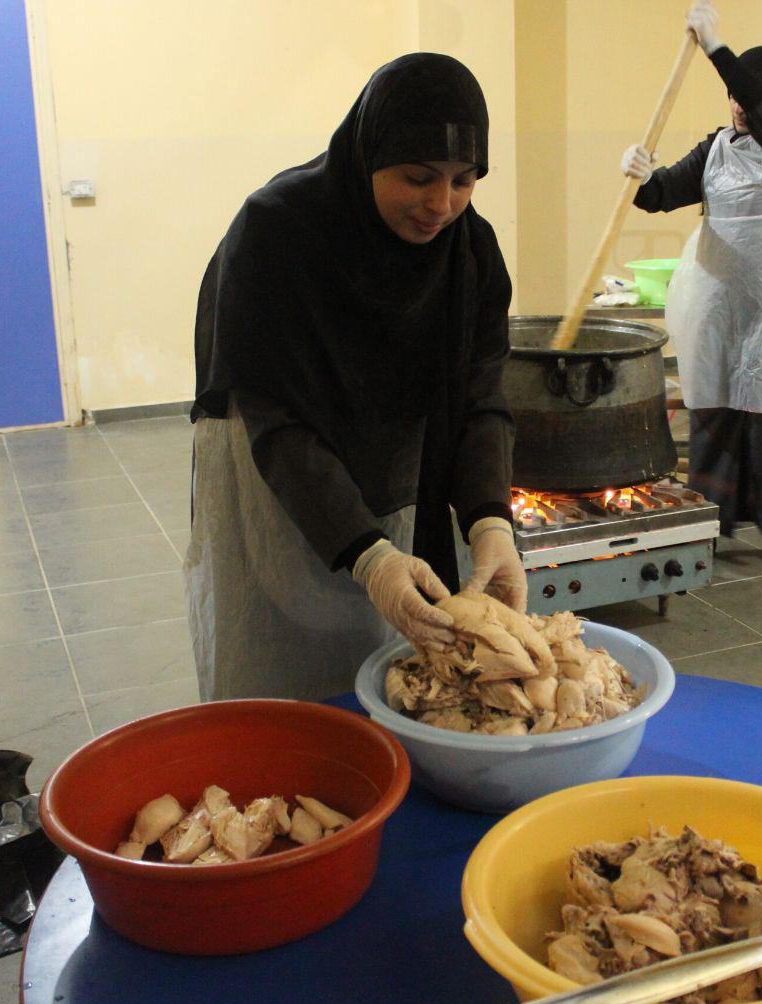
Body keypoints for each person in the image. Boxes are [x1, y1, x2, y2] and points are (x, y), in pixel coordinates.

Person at [186, 53, 525, 702]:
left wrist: (490, 523)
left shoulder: (469, 252)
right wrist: (369, 558)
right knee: (286, 666)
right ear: (369, 154)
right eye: (418, 177)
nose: (440, 205)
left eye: (463, 181)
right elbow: (277, 419)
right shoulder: (277, 233)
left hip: (392, 460)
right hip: (278, 471)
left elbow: (481, 397)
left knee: (400, 665)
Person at [621, 2, 762, 577]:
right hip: (725, 314)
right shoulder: (716, 149)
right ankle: (710, 524)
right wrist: (639, 175)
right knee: (720, 421)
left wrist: (717, 47)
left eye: (748, 94)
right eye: (733, 95)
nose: (738, 105)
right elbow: (660, 195)